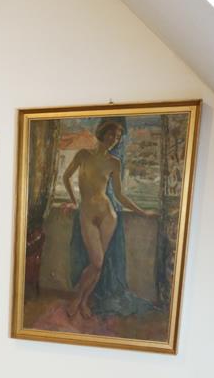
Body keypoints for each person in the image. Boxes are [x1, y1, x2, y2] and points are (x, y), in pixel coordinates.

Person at [62, 120, 154, 319]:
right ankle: (77, 299)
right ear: (102, 133)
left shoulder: (115, 162)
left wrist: (141, 212)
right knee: (96, 262)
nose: (114, 139)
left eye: (118, 137)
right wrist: (73, 201)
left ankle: (82, 301)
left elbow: (119, 195)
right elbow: (66, 177)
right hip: (87, 213)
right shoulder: (83, 155)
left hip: (108, 215)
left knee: (99, 264)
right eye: (112, 135)